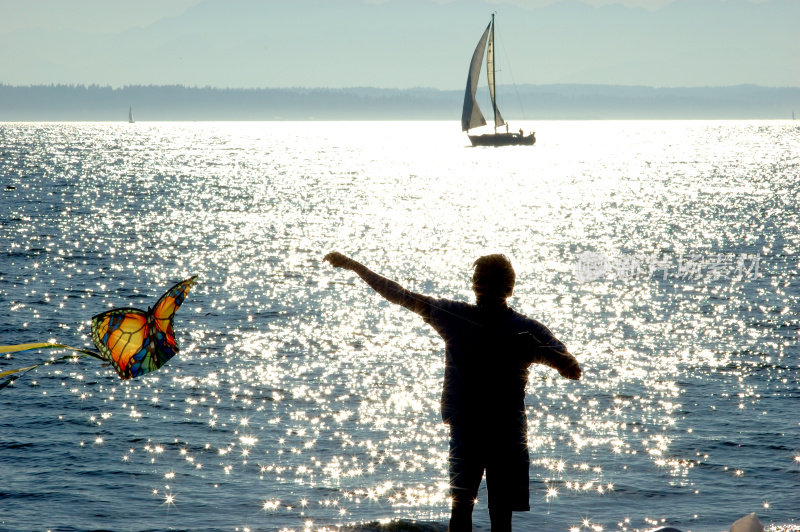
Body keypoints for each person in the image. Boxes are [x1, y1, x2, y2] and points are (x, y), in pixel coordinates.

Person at [323, 252, 581, 532]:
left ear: (504, 288)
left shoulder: (520, 329)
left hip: (499, 432)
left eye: (485, 282)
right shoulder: (459, 317)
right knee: (479, 513)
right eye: (481, 282)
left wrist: (536, 348)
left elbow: (571, 368)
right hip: (480, 430)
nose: (483, 288)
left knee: (477, 512)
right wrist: (352, 265)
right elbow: (397, 294)